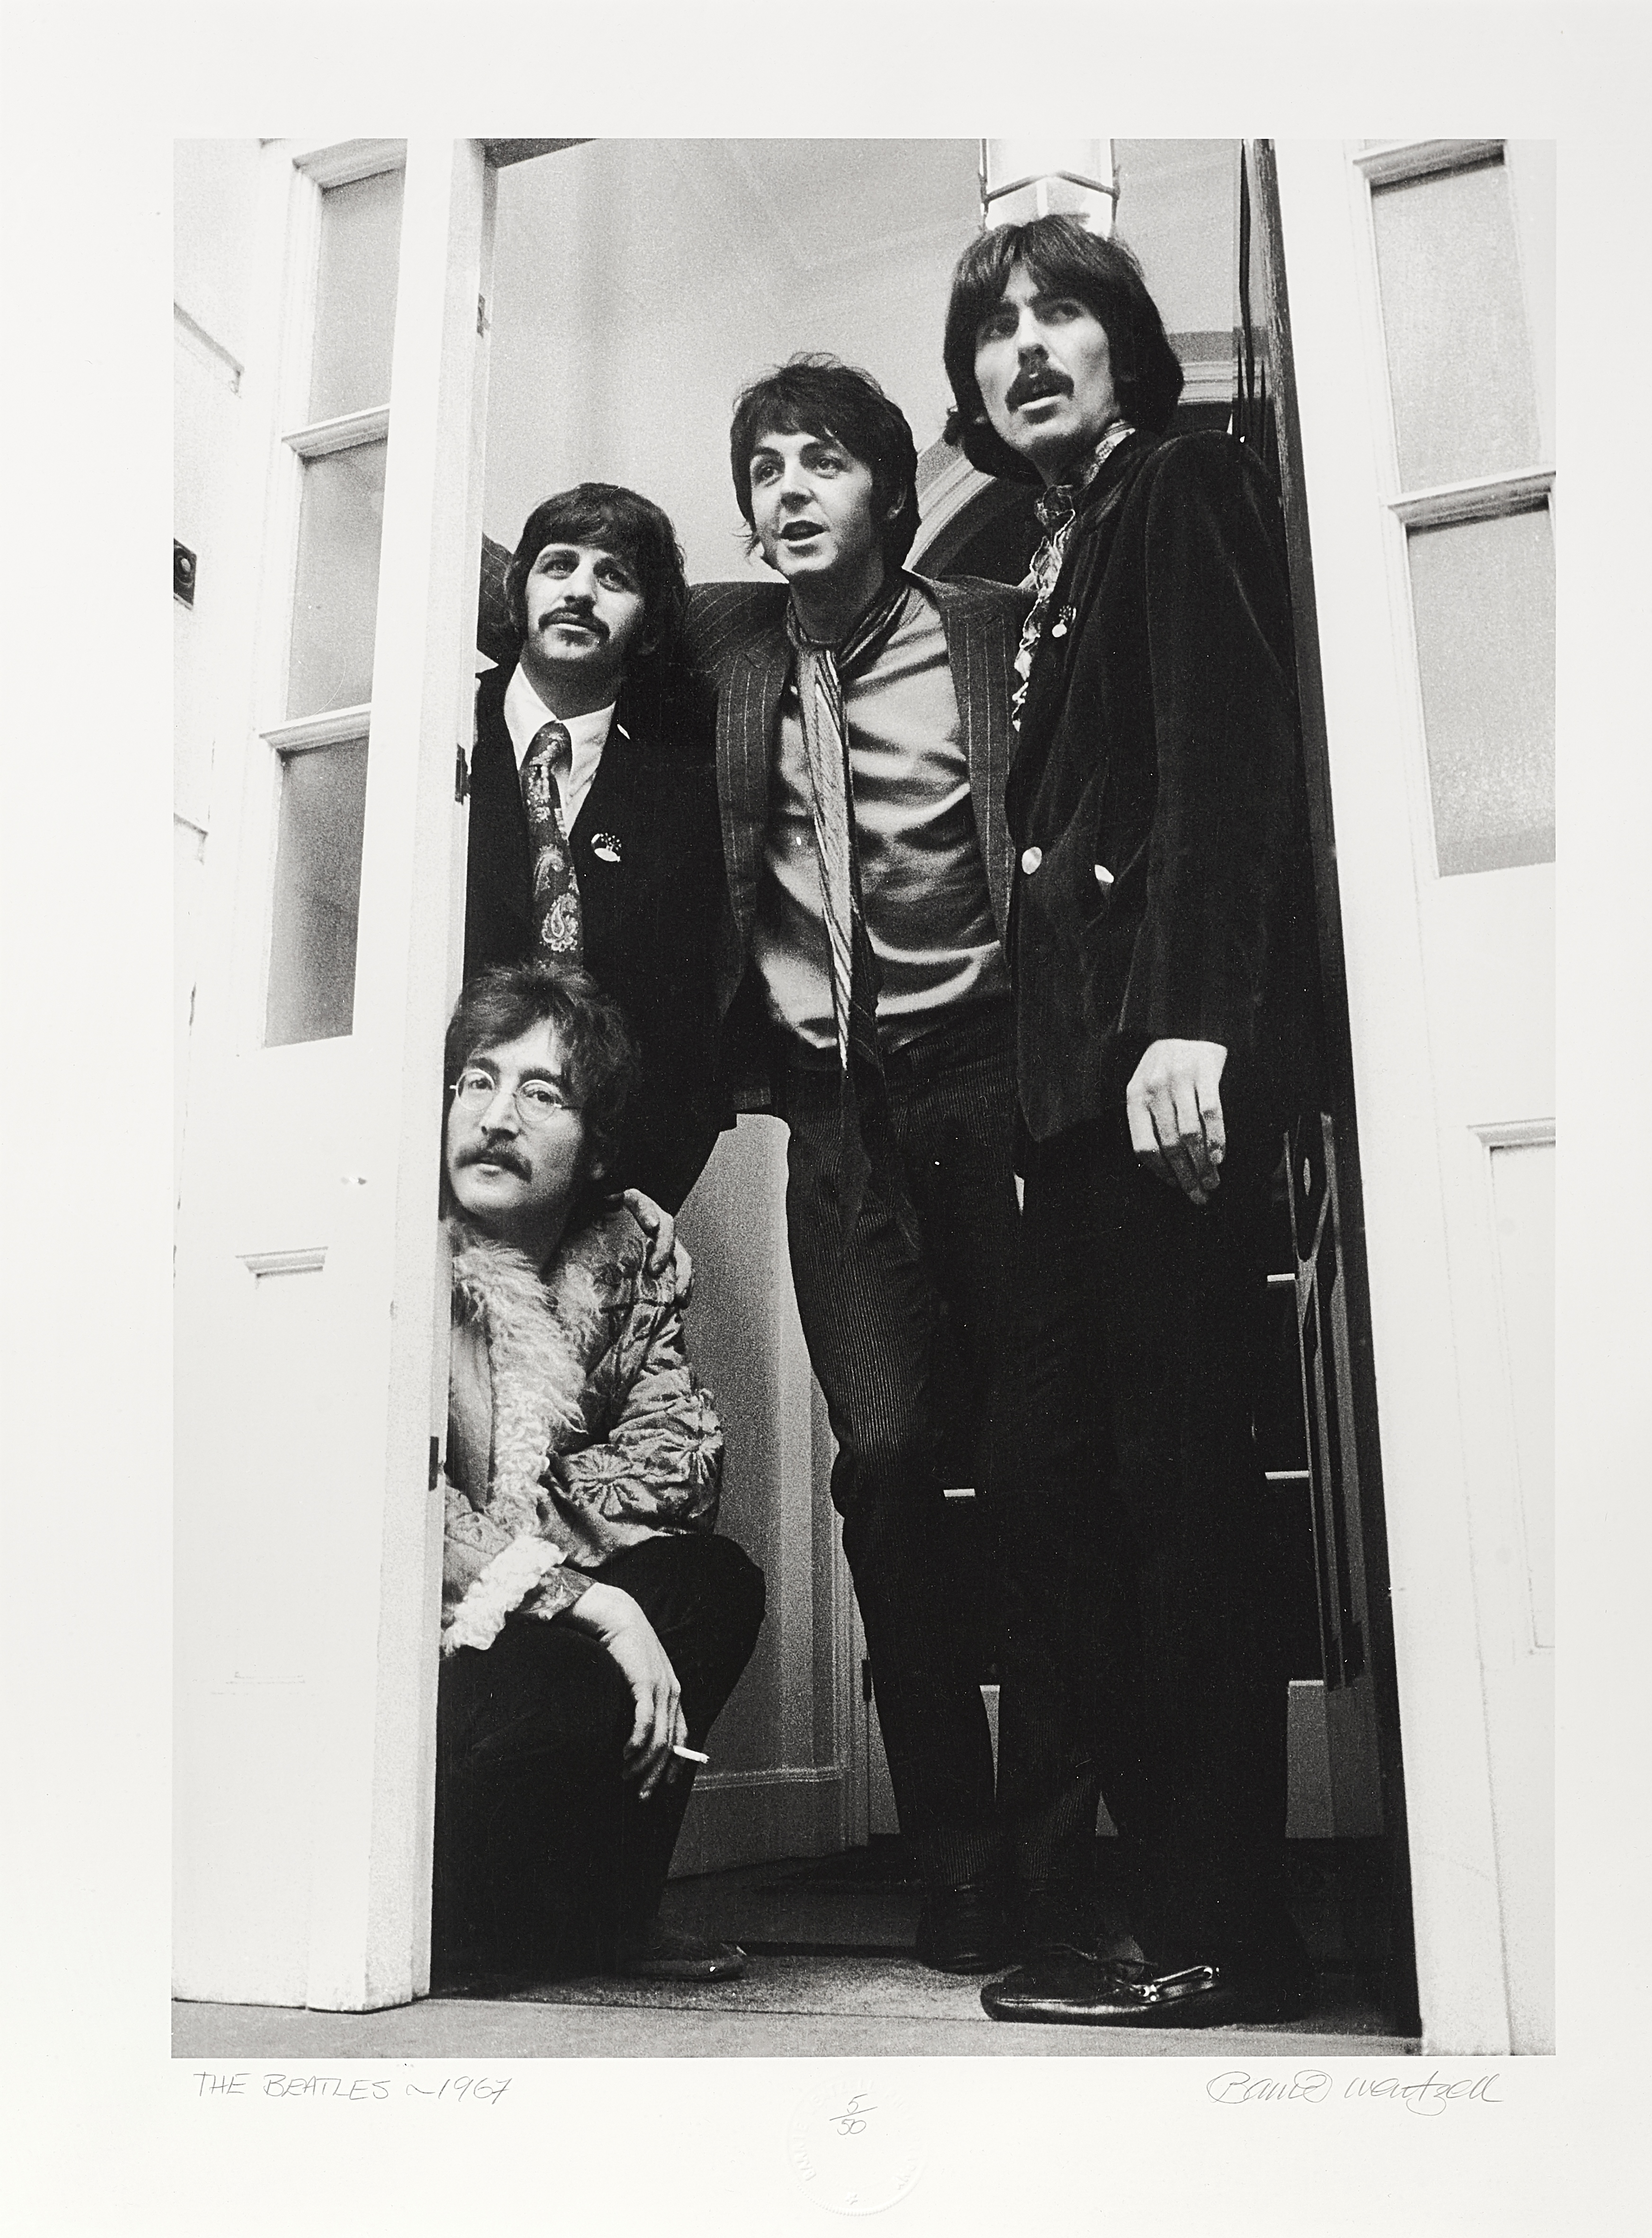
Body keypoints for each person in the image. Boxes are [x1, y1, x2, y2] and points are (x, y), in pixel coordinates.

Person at [942, 214, 1323, 2026]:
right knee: (1042, 1475)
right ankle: (1161, 1886)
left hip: (1162, 1076)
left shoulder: (1178, 487)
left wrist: (1199, 1020)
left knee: (1177, 1494)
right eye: (995, 330)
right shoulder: (1061, 541)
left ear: (1123, 345)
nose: (1025, 348)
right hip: (1075, 1104)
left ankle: (1212, 1919)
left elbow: (1227, 760)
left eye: (1058, 315)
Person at [684, 357, 1032, 1972]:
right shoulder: (733, 654)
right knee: (887, 1459)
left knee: (1052, 1464)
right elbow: (545, 574)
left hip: (1000, 1087)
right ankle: (957, 1845)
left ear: (890, 491)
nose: (791, 489)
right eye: (766, 468)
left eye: (825, 462)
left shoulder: (982, 623)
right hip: (837, 1121)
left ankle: (1057, 1836)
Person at [433, 959, 764, 1987]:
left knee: (710, 1583)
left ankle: (611, 1915)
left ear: (594, 1150)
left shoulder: (625, 1261)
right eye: (476, 1081)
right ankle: (476, 1926)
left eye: (542, 1093)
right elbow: (400, 1517)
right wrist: (595, 1606)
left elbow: (678, 1459)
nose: (496, 1115)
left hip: (525, 1604)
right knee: (563, 1663)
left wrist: (546, 1561)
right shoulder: (397, 1265)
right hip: (428, 1650)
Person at [464, 482, 727, 1212]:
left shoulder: (687, 793)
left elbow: (690, 1042)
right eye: (559, 566)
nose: (581, 591)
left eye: (615, 577)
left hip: (603, 1203)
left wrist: (628, 1207)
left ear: (647, 626)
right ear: (517, 593)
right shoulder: (436, 727)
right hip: (419, 1182)